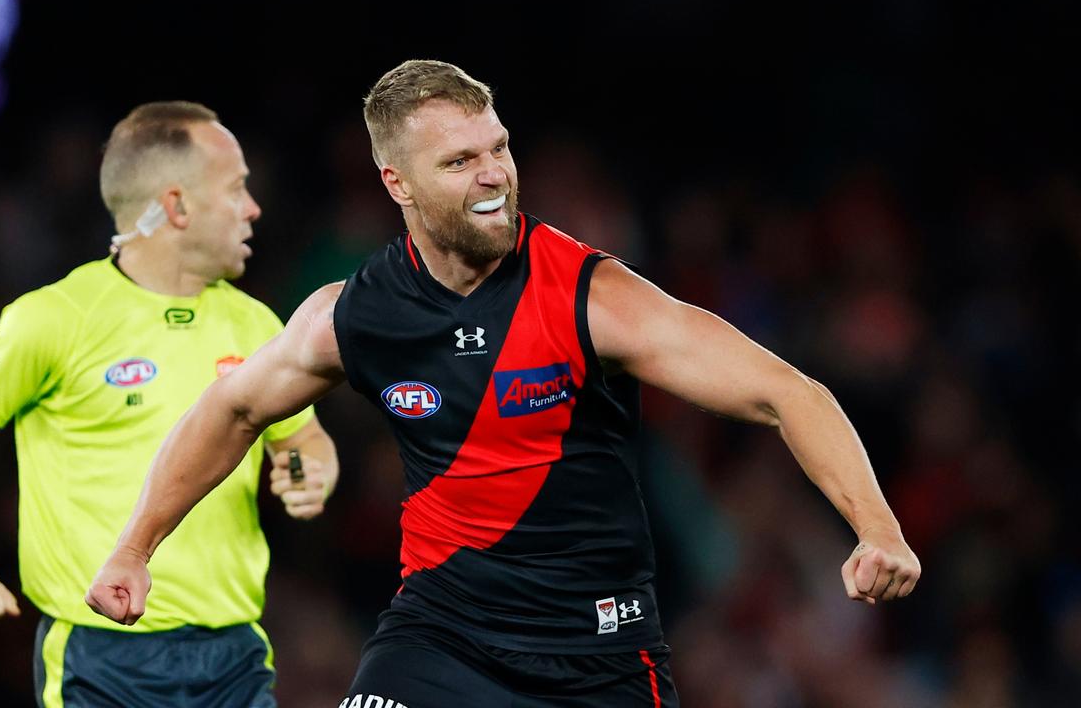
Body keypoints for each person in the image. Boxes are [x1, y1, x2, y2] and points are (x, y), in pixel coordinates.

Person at [85, 63, 921, 706]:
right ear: (397, 184)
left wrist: (875, 525)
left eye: (499, 149)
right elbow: (230, 411)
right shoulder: (355, 315)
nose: (494, 176)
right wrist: (134, 547)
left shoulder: (593, 297)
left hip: (598, 656)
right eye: (460, 161)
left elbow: (789, 392)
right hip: (439, 640)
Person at [0, 101, 338, 708]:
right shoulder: (58, 316)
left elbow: (303, 439)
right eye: (237, 188)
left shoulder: (257, 323)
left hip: (235, 654)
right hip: (103, 659)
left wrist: (311, 469)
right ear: (177, 205)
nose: (254, 208)